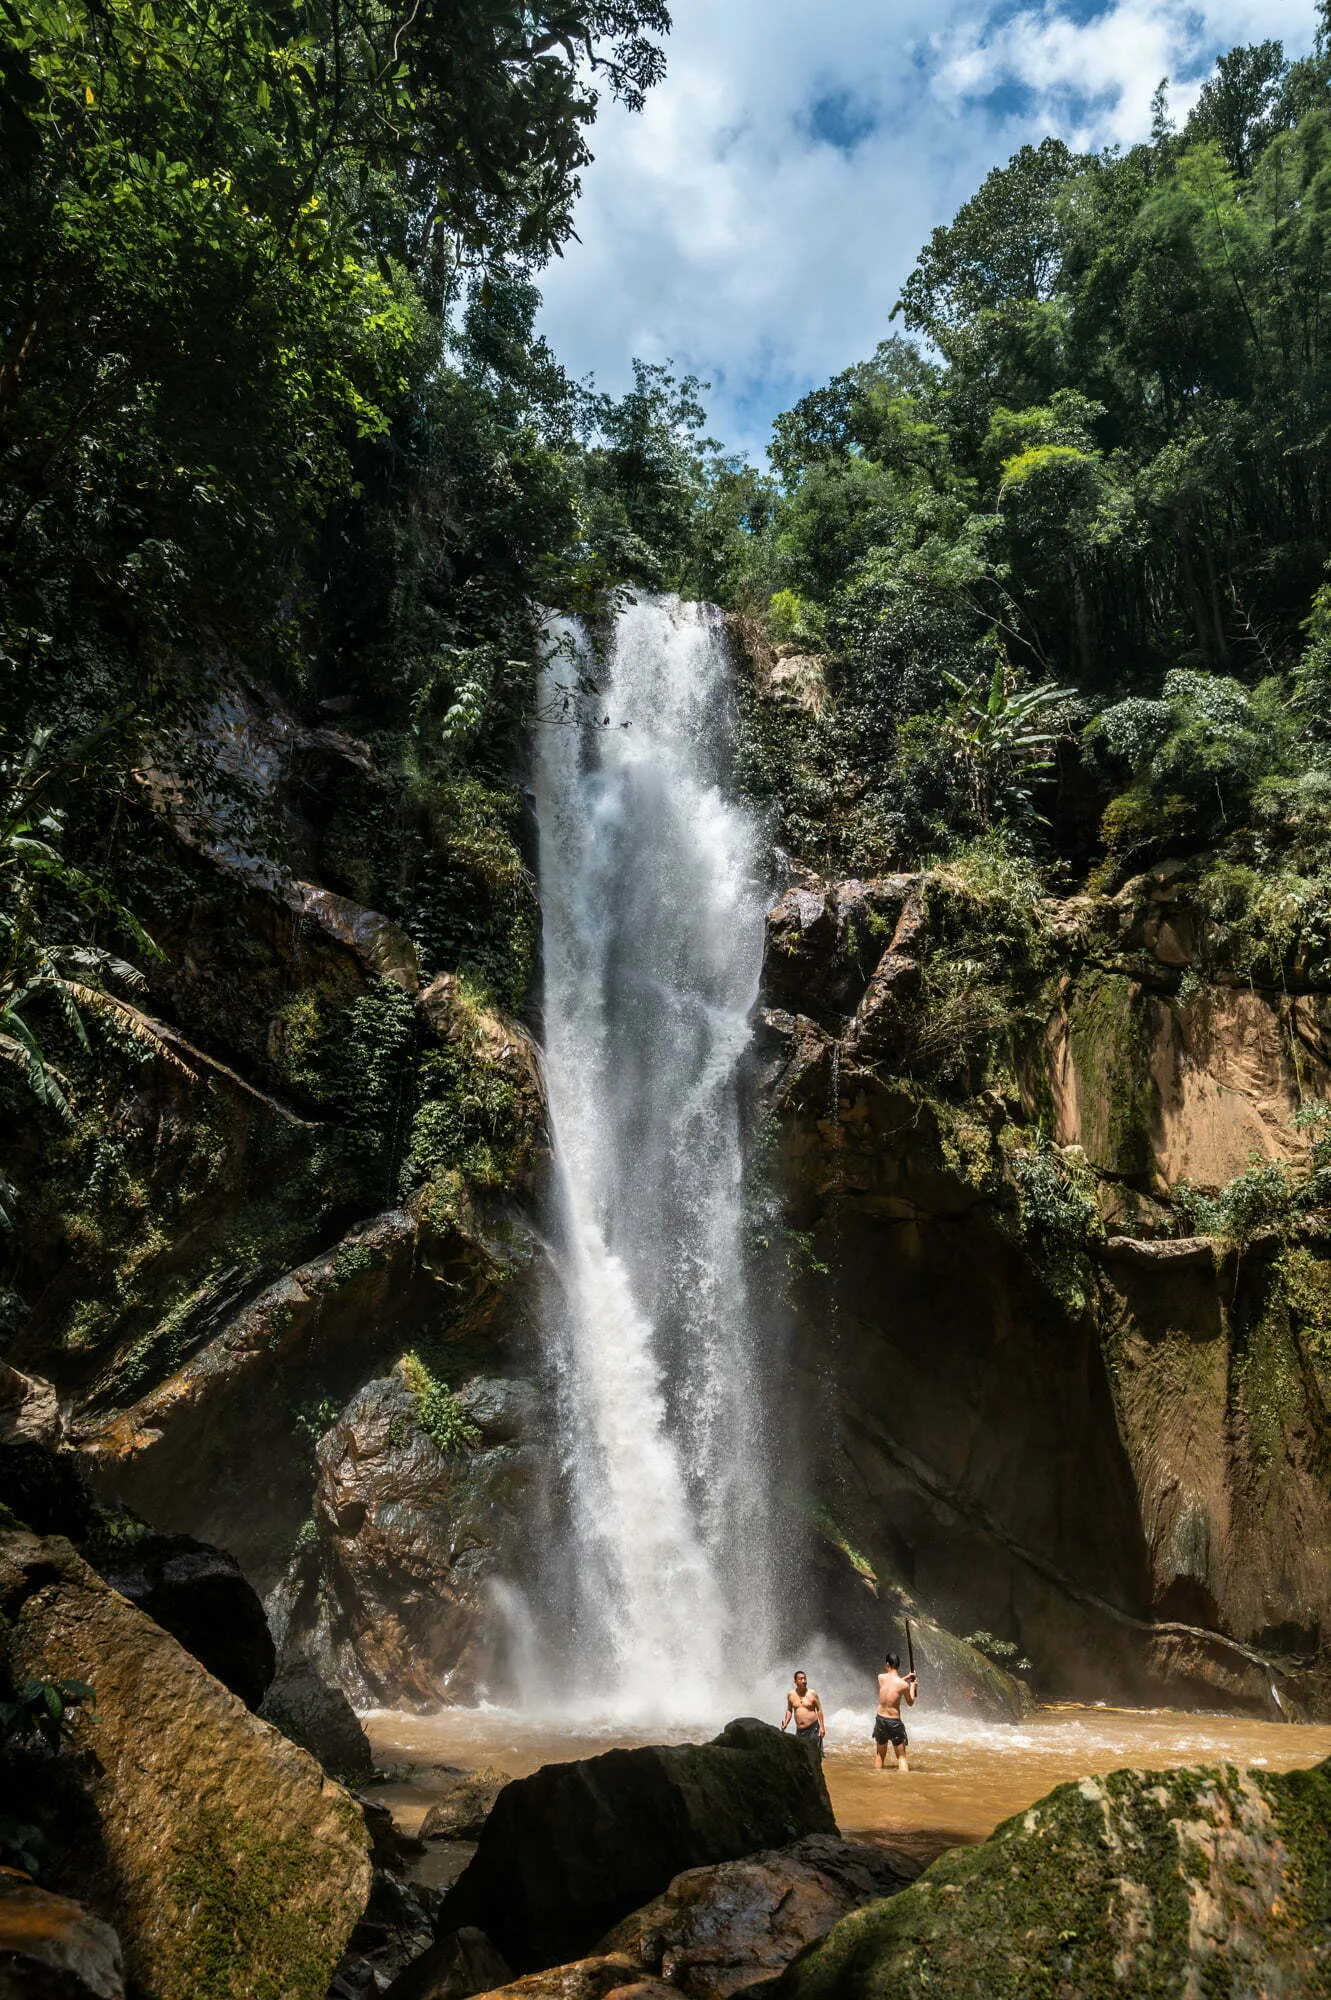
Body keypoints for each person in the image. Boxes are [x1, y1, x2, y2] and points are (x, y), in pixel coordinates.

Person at [873, 1651, 917, 1772]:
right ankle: (903, 1783)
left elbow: (891, 1684)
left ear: (888, 1664)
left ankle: (876, 1778)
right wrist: (912, 1686)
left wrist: (906, 1678)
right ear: (898, 1665)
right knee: (901, 1757)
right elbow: (910, 1702)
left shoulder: (881, 1678)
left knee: (880, 1755)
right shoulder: (903, 1685)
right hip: (894, 1722)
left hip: (880, 1719)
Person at [781, 1669, 826, 1764]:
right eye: (801, 1679)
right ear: (795, 1681)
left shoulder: (812, 1693)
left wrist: (822, 1727)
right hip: (800, 1731)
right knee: (801, 1756)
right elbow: (789, 1709)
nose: (804, 1681)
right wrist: (786, 1723)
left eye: (805, 1678)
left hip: (814, 1728)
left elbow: (819, 1710)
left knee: (815, 1755)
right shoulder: (791, 1695)